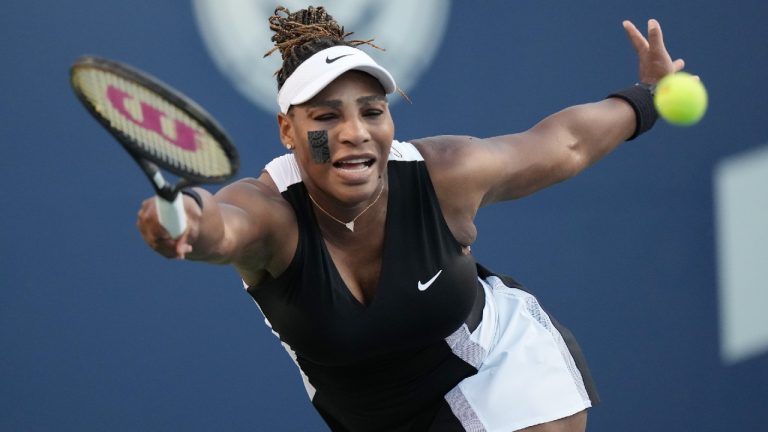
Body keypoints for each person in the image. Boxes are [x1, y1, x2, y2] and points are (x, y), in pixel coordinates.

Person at [137, 5, 687, 431]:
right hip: (373, 415)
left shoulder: (444, 173)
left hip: (498, 366)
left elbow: (564, 143)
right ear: (288, 130)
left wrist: (648, 96)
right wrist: (185, 219)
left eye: (373, 112)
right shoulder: (272, 215)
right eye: (327, 116)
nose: (357, 132)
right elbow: (221, 226)